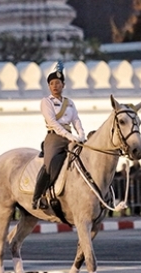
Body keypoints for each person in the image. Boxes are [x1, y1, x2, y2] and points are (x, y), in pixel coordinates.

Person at [32, 61, 85, 209]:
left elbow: (76, 120)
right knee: (50, 165)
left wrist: (81, 134)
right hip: (54, 138)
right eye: (52, 83)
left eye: (58, 83)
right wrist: (70, 137)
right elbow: (53, 122)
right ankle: (39, 196)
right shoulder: (46, 102)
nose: (55, 86)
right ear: (49, 86)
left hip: (71, 136)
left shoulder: (69, 103)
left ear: (63, 85)